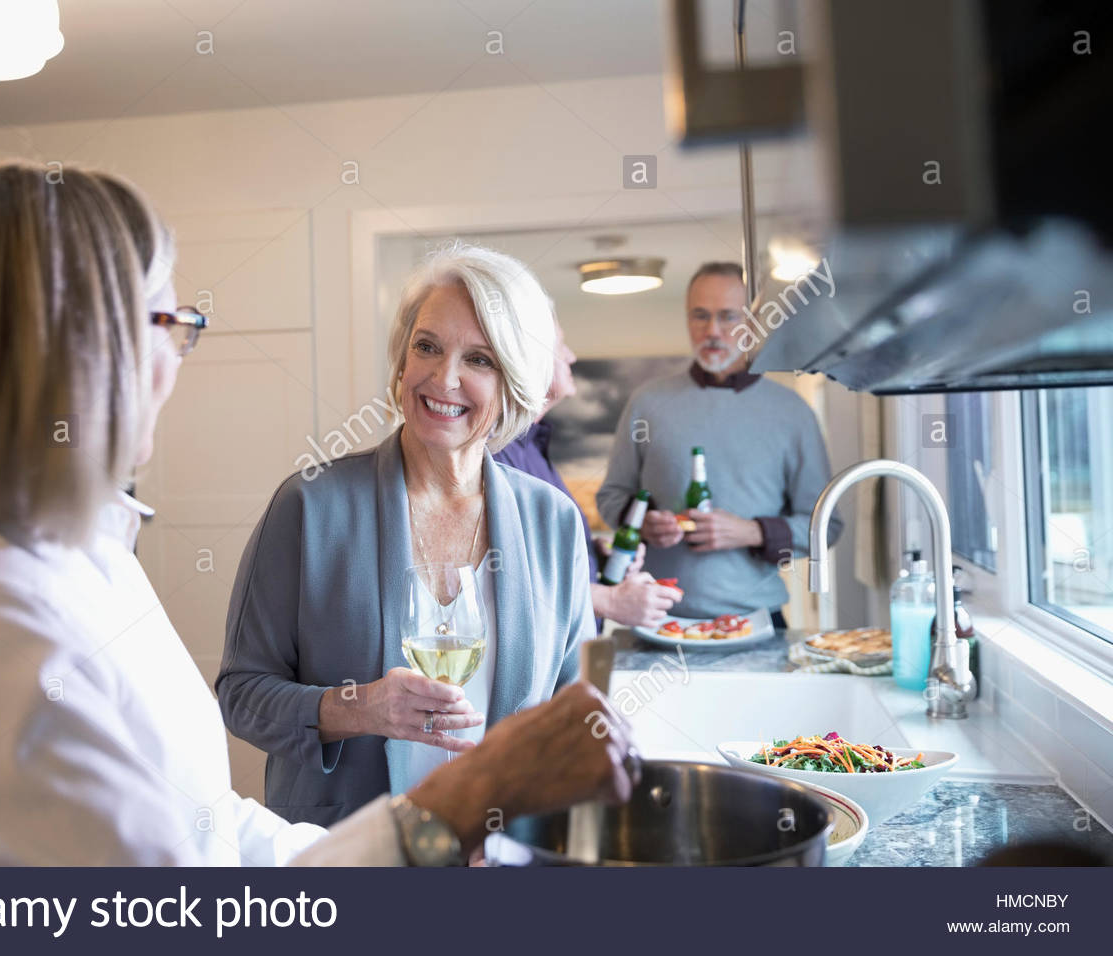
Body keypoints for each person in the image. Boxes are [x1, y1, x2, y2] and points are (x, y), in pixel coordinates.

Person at [0, 163, 637, 866]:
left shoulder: (87, 559)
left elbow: (209, 829)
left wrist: (444, 830)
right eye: (166, 324)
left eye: (481, 358)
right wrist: (452, 805)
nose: (176, 362)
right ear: (69, 348)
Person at [217, 243, 596, 827]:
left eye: (480, 359)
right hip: (344, 852)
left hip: (495, 851)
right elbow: (241, 695)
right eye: (427, 347)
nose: (444, 378)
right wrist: (358, 707)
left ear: (514, 380)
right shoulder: (311, 505)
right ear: (401, 360)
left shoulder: (553, 522)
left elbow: (573, 714)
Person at [596, 262, 843, 628]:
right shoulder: (647, 402)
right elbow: (612, 497)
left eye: (728, 317)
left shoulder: (792, 413)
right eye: (700, 316)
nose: (712, 331)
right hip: (657, 620)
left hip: (757, 622)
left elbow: (827, 525)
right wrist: (644, 523)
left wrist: (752, 531)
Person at [495, 320, 680, 629]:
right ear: (529, 359)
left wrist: (593, 557)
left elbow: (541, 552)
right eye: (560, 346)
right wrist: (609, 600)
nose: (571, 357)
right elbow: (505, 575)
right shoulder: (497, 451)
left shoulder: (533, 444)